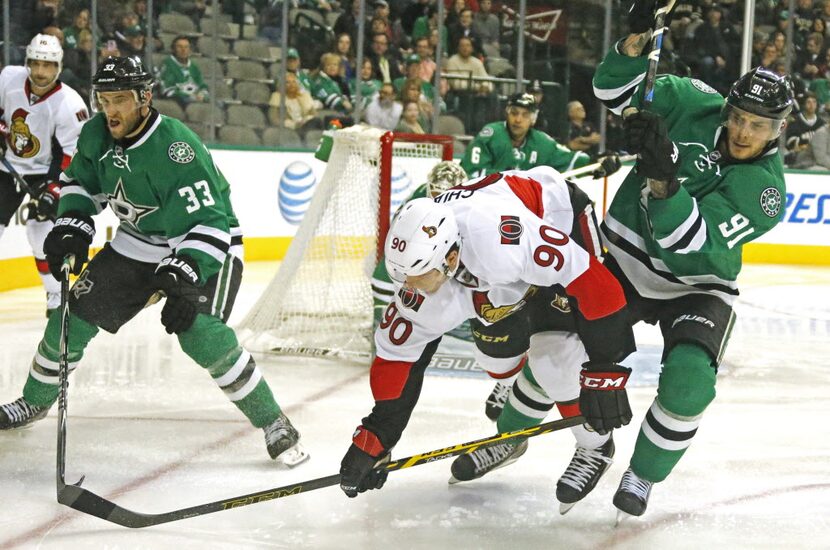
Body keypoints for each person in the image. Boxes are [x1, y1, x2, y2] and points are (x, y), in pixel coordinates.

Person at [0, 56, 309, 468]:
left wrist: (183, 272)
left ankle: (274, 421)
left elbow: (212, 222)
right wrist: (73, 222)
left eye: (120, 100)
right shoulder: (95, 134)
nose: (110, 110)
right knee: (69, 319)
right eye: (104, 99)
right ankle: (34, 401)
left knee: (200, 332)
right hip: (138, 243)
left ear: (144, 98)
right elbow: (80, 183)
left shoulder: (176, 149)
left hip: (203, 242)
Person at [592, 5, 794, 518]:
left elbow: (686, 240)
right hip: (625, 259)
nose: (746, 133)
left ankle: (643, 473)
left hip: (696, 284)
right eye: (741, 119)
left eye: (760, 126)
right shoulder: (691, 101)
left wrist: (662, 176)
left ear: (779, 130)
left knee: (689, 383)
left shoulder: (766, 192)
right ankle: (530, 438)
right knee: (558, 338)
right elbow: (612, 93)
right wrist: (637, 39)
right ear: (728, 110)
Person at [338, 166, 635, 503]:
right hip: (486, 267)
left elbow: (600, 288)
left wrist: (605, 370)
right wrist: (376, 437)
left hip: (555, 220)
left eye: (419, 275)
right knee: (495, 358)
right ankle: (514, 434)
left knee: (557, 358)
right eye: (404, 276)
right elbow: (397, 359)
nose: (411, 288)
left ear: (450, 259)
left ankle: (595, 446)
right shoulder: (426, 272)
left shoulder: (500, 241)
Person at [0, 34, 89, 315]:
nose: (41, 72)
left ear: (58, 68)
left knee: (41, 234)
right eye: (36, 64)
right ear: (27, 62)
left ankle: (54, 294)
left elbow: (71, 155)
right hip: (6, 167)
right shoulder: (8, 79)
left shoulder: (70, 104)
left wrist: (53, 188)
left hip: (45, 173)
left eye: (48, 66)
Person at [461, 93, 618, 179]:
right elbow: (471, 172)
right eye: (514, 113)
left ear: (533, 119)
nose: (518, 119)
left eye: (525, 115)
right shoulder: (491, 134)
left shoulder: (542, 142)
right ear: (507, 113)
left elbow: (570, 160)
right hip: (486, 206)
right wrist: (510, 180)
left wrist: (597, 163)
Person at [158, 36, 209, 106]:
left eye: (186, 47)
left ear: (190, 50)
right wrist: (189, 96)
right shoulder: (168, 65)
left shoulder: (194, 67)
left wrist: (202, 95)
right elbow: (167, 90)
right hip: (178, 102)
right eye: (179, 47)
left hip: (195, 100)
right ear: (173, 49)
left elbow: (202, 86)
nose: (183, 50)